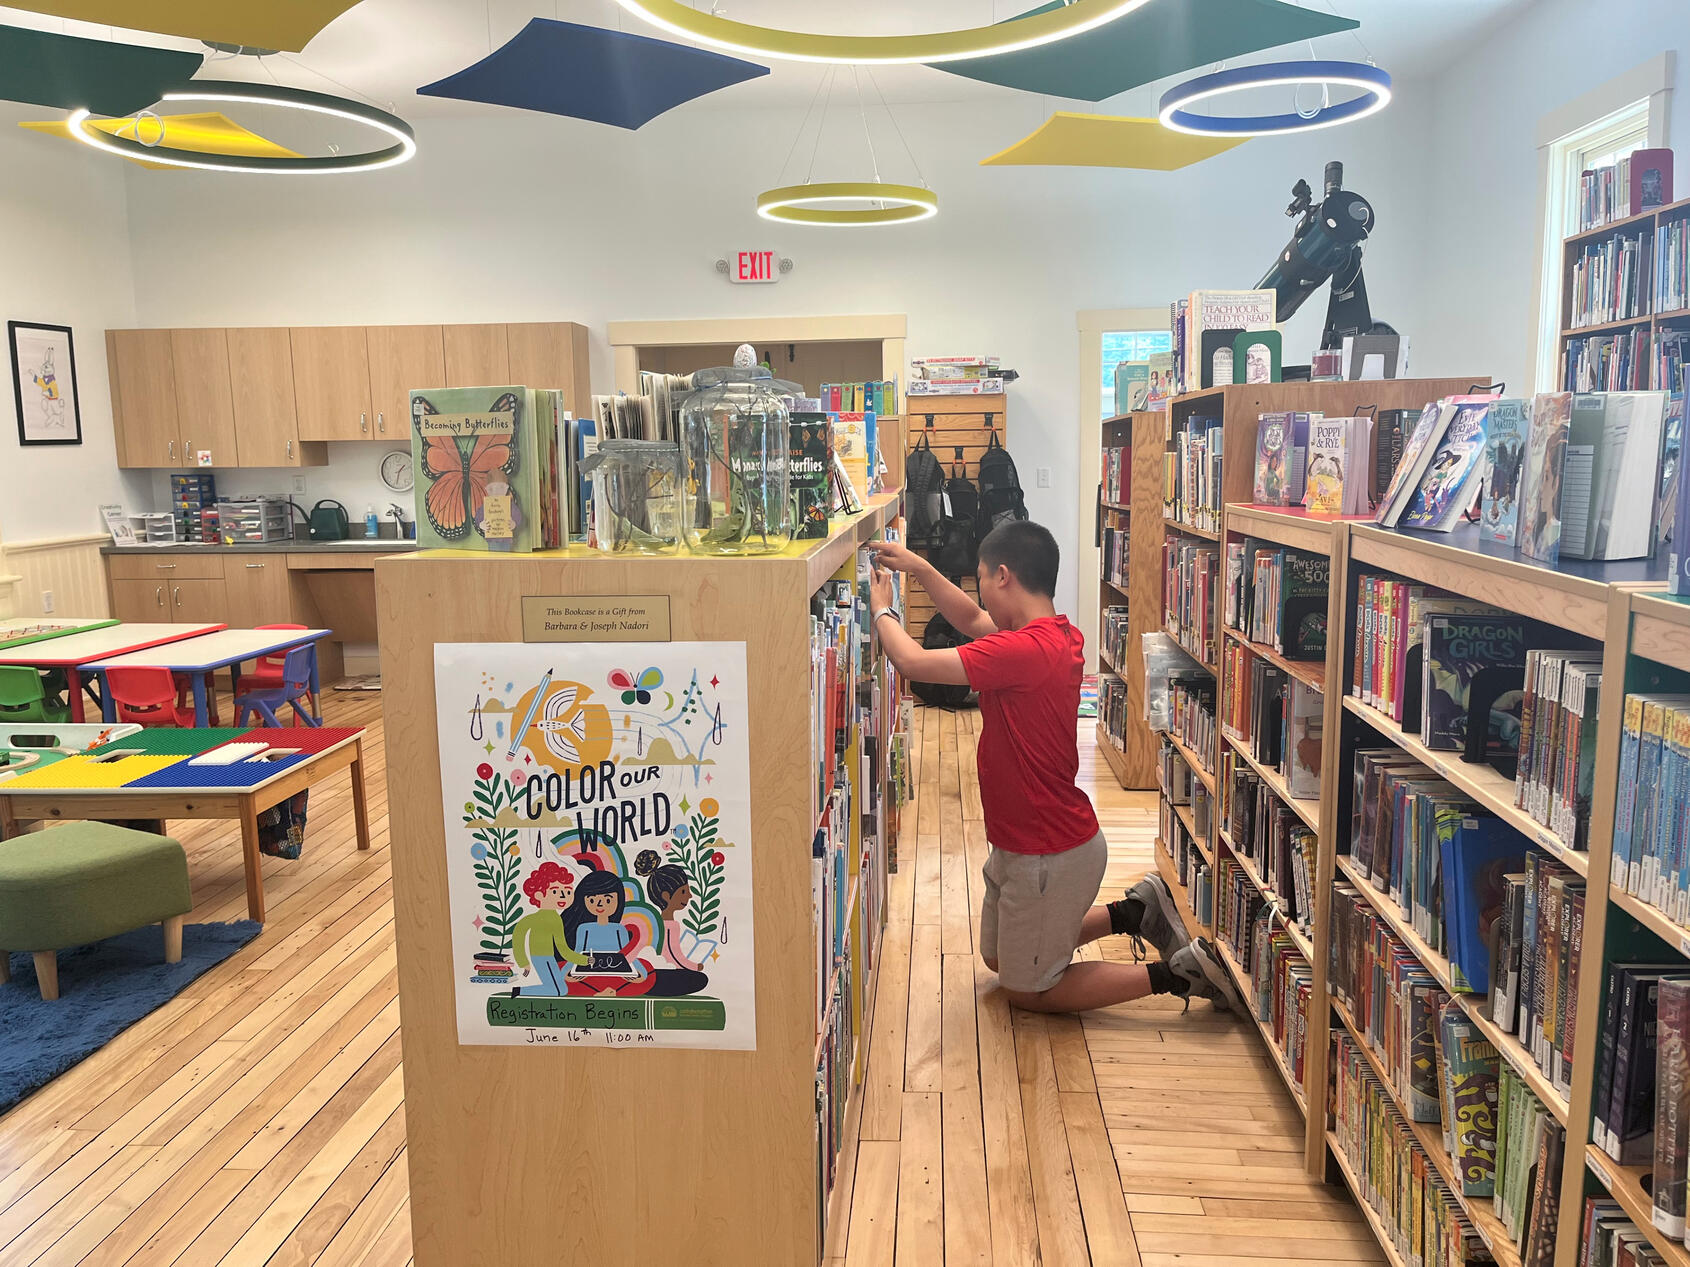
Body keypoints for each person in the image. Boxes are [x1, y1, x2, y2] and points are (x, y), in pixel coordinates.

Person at [866, 521, 1238, 1014]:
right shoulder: (1054, 636)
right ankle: (1135, 911)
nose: (981, 597)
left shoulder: (1022, 650)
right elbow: (972, 617)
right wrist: (918, 567)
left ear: (1003, 577)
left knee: (1029, 989)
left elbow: (912, 662)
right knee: (999, 957)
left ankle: (1178, 974)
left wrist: (882, 609)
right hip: (1030, 842)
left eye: (980, 580)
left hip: (1047, 852)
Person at [634, 850, 710, 997]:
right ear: (666, 896)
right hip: (658, 976)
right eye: (683, 892)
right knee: (700, 979)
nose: (689, 895)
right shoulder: (669, 925)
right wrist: (695, 966)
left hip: (645, 973)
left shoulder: (649, 922)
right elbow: (675, 957)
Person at [511, 860, 589, 996]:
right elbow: (519, 933)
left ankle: (520, 991)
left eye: (568, 891)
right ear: (539, 895)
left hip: (548, 958)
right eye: (555, 891)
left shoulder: (556, 919)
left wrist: (584, 960)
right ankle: (519, 991)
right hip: (541, 957)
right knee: (558, 990)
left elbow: (563, 948)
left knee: (562, 990)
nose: (563, 896)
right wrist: (523, 961)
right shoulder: (537, 918)